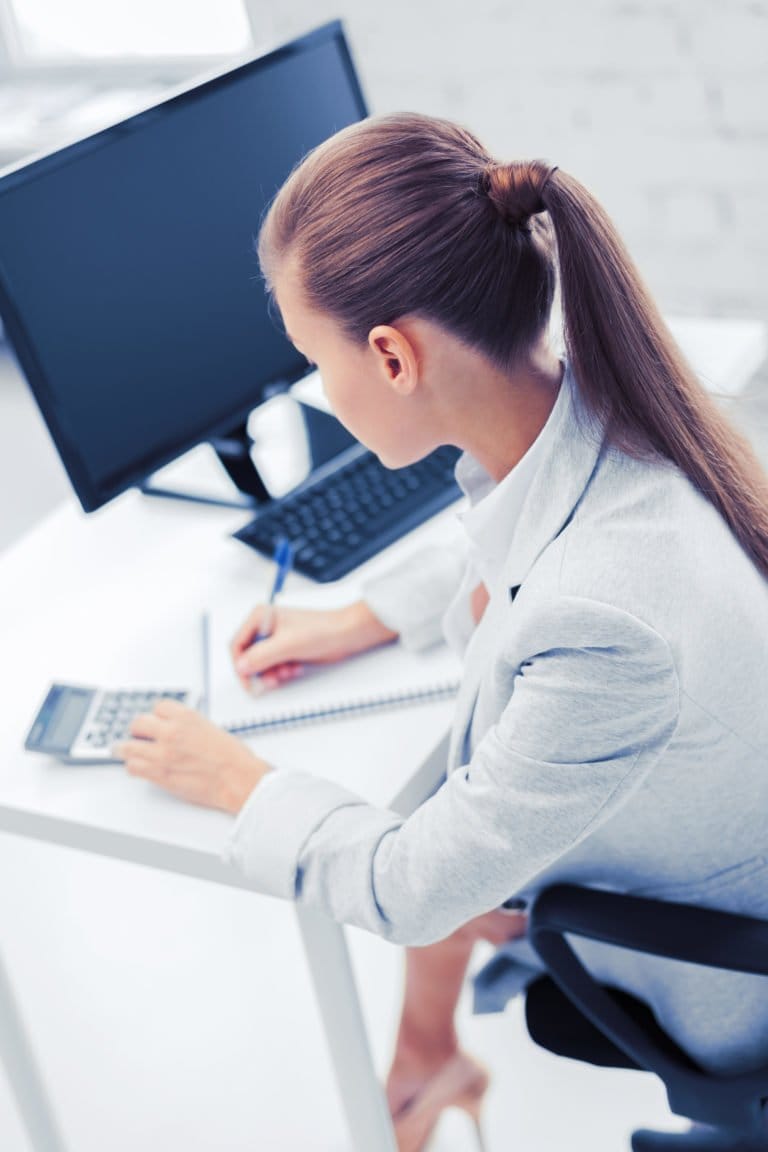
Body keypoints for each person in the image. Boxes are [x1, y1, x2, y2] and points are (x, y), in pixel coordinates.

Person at [113, 112, 768, 1151]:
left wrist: (238, 779)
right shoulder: (605, 390)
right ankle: (430, 1058)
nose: (316, 391)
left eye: (313, 361)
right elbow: (517, 521)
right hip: (709, 828)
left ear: (389, 355)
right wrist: (364, 617)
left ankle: (420, 1065)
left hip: (724, 965)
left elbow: (411, 889)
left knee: (423, 820)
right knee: (450, 778)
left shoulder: (605, 619)